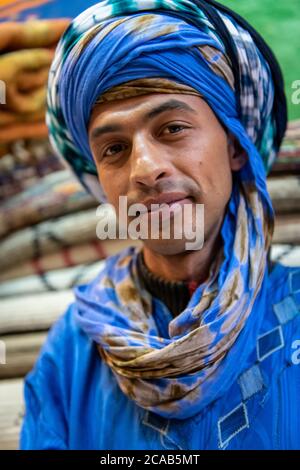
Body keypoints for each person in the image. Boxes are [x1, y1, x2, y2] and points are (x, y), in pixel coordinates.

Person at [20, 0, 300, 450]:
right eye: (113, 149)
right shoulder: (71, 352)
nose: (144, 169)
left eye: (172, 128)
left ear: (235, 147)